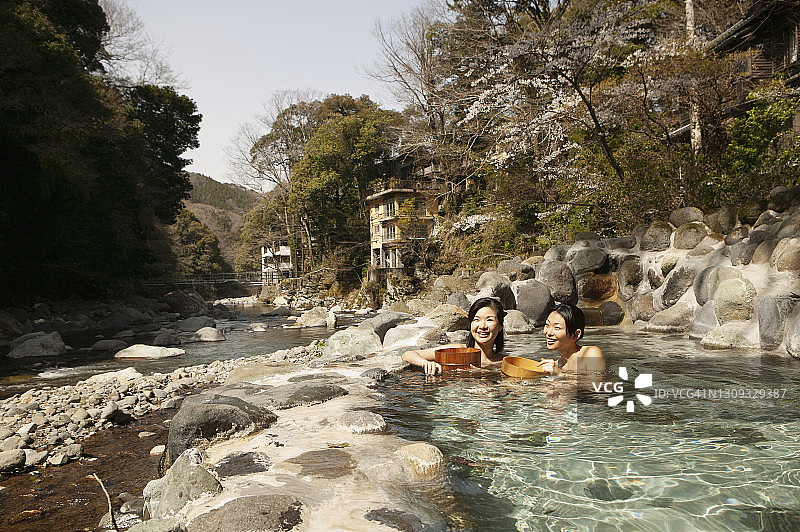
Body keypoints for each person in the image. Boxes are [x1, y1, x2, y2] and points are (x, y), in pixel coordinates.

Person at [401, 297, 505, 375]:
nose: (482, 326)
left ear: (500, 326)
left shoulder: (505, 362)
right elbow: (408, 354)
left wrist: (483, 373)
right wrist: (426, 363)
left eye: (489, 320)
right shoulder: (455, 351)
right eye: (476, 320)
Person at [536, 303, 605, 375]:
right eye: (547, 325)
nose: (549, 332)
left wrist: (559, 374)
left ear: (576, 334)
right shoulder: (557, 365)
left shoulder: (590, 353)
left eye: (557, 328)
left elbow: (596, 383)